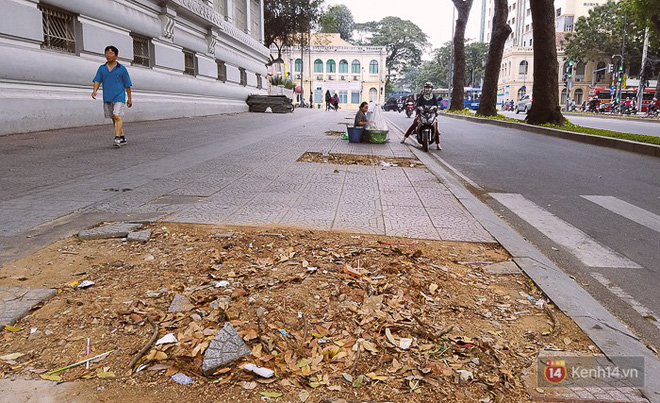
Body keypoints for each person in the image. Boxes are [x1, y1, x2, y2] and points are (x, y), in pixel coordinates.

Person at [92, 45, 132, 148]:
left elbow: (127, 85)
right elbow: (97, 80)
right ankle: (122, 137)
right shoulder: (102, 68)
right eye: (107, 53)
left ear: (116, 55)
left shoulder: (121, 69)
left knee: (116, 115)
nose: (108, 55)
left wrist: (129, 99)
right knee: (113, 117)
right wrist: (94, 90)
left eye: (111, 53)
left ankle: (117, 137)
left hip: (119, 96)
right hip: (108, 96)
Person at [401, 82, 441, 150]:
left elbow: (436, 105)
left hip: (431, 114)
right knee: (414, 124)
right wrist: (420, 108)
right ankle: (404, 138)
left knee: (435, 127)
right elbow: (418, 104)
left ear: (431, 89)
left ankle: (438, 144)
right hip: (422, 113)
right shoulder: (421, 97)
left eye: (429, 88)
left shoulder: (433, 96)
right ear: (424, 89)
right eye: (426, 88)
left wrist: (434, 108)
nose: (427, 89)